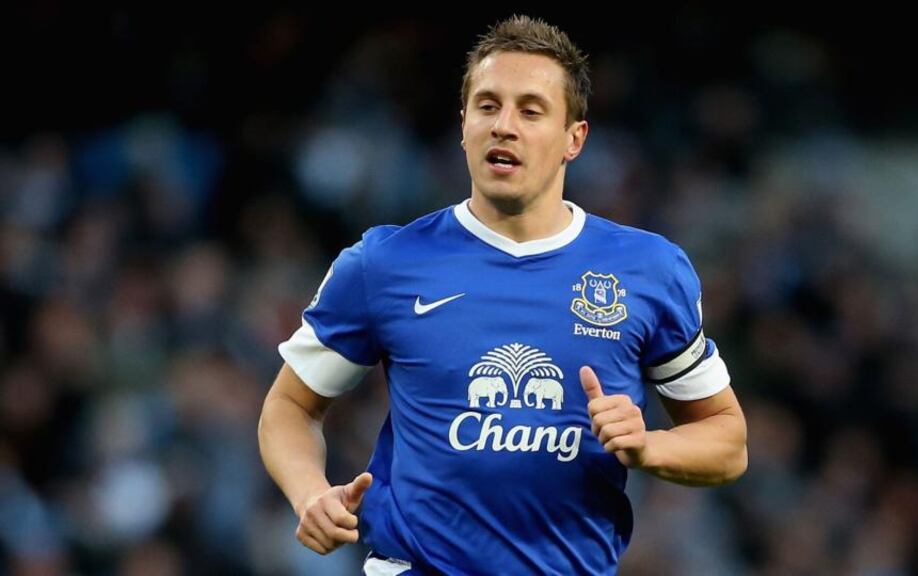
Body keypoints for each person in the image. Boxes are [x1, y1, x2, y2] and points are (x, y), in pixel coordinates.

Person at [258, 15, 748, 575]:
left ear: (574, 139)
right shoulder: (383, 264)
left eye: (530, 110)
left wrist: (649, 447)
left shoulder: (648, 271)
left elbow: (727, 442)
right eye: (487, 106)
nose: (504, 126)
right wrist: (308, 494)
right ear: (462, 124)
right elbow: (289, 407)